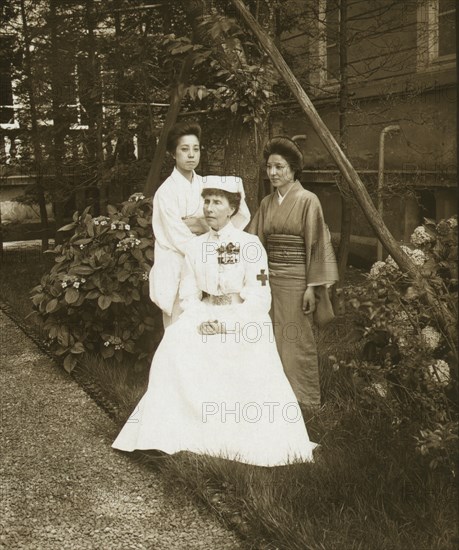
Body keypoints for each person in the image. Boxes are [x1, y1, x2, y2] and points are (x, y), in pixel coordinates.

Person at [113, 177, 317, 467]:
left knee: (242, 349)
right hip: (203, 315)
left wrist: (228, 323)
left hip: (242, 318)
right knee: (172, 344)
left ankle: (238, 436)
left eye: (217, 202)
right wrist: (202, 318)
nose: (209, 208)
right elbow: (187, 295)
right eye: (206, 201)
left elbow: (260, 299)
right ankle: (171, 431)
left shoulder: (250, 245)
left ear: (232, 208)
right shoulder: (195, 248)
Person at [248, 137, 339, 409]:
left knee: (296, 339)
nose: (273, 173)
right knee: (269, 338)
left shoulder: (308, 200)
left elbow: (317, 243)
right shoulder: (266, 203)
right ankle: (273, 398)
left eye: (280, 167)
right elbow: (254, 242)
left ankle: (304, 399)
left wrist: (312, 286)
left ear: (293, 170)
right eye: (269, 167)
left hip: (298, 280)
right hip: (267, 279)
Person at [149, 121, 251, 328]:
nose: (191, 155)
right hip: (177, 263)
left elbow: (233, 215)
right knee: (178, 328)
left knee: (205, 328)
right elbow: (177, 236)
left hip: (207, 263)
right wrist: (205, 229)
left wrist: (199, 225)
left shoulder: (206, 185)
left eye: (195, 149)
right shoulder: (166, 192)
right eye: (184, 149)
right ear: (172, 153)